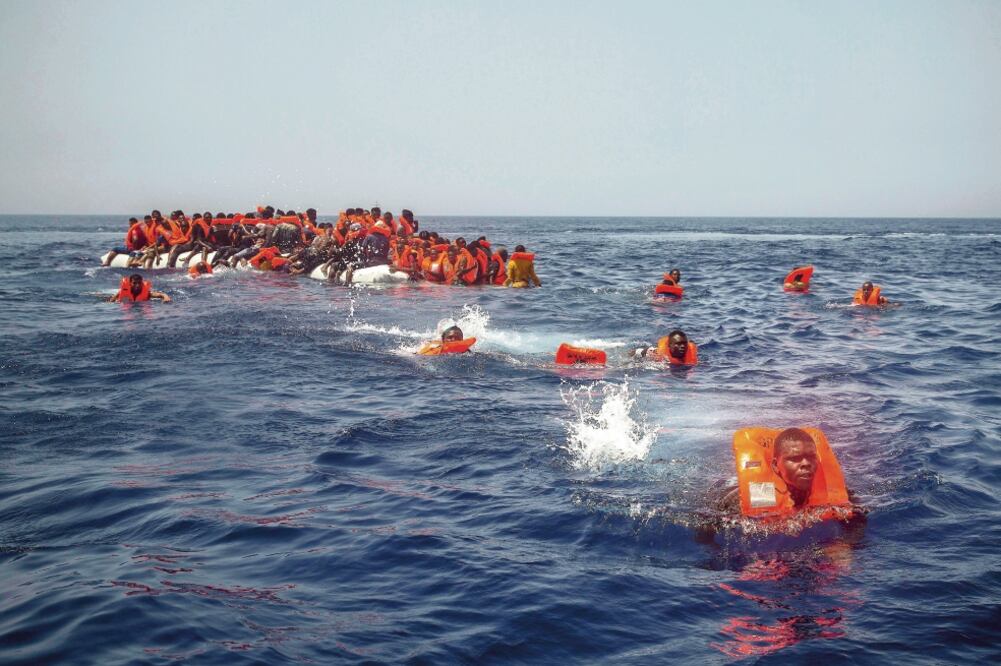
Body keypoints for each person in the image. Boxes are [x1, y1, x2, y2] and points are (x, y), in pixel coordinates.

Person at [713, 427, 861, 520]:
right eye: (795, 459)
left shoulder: (840, 495)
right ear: (776, 466)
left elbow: (858, 521)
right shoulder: (738, 501)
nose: (806, 464)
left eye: (811, 457)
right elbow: (708, 527)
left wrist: (842, 547)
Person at [633, 329, 698, 365]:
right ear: (669, 345)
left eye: (684, 343)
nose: (682, 346)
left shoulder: (691, 353)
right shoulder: (659, 353)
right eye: (678, 344)